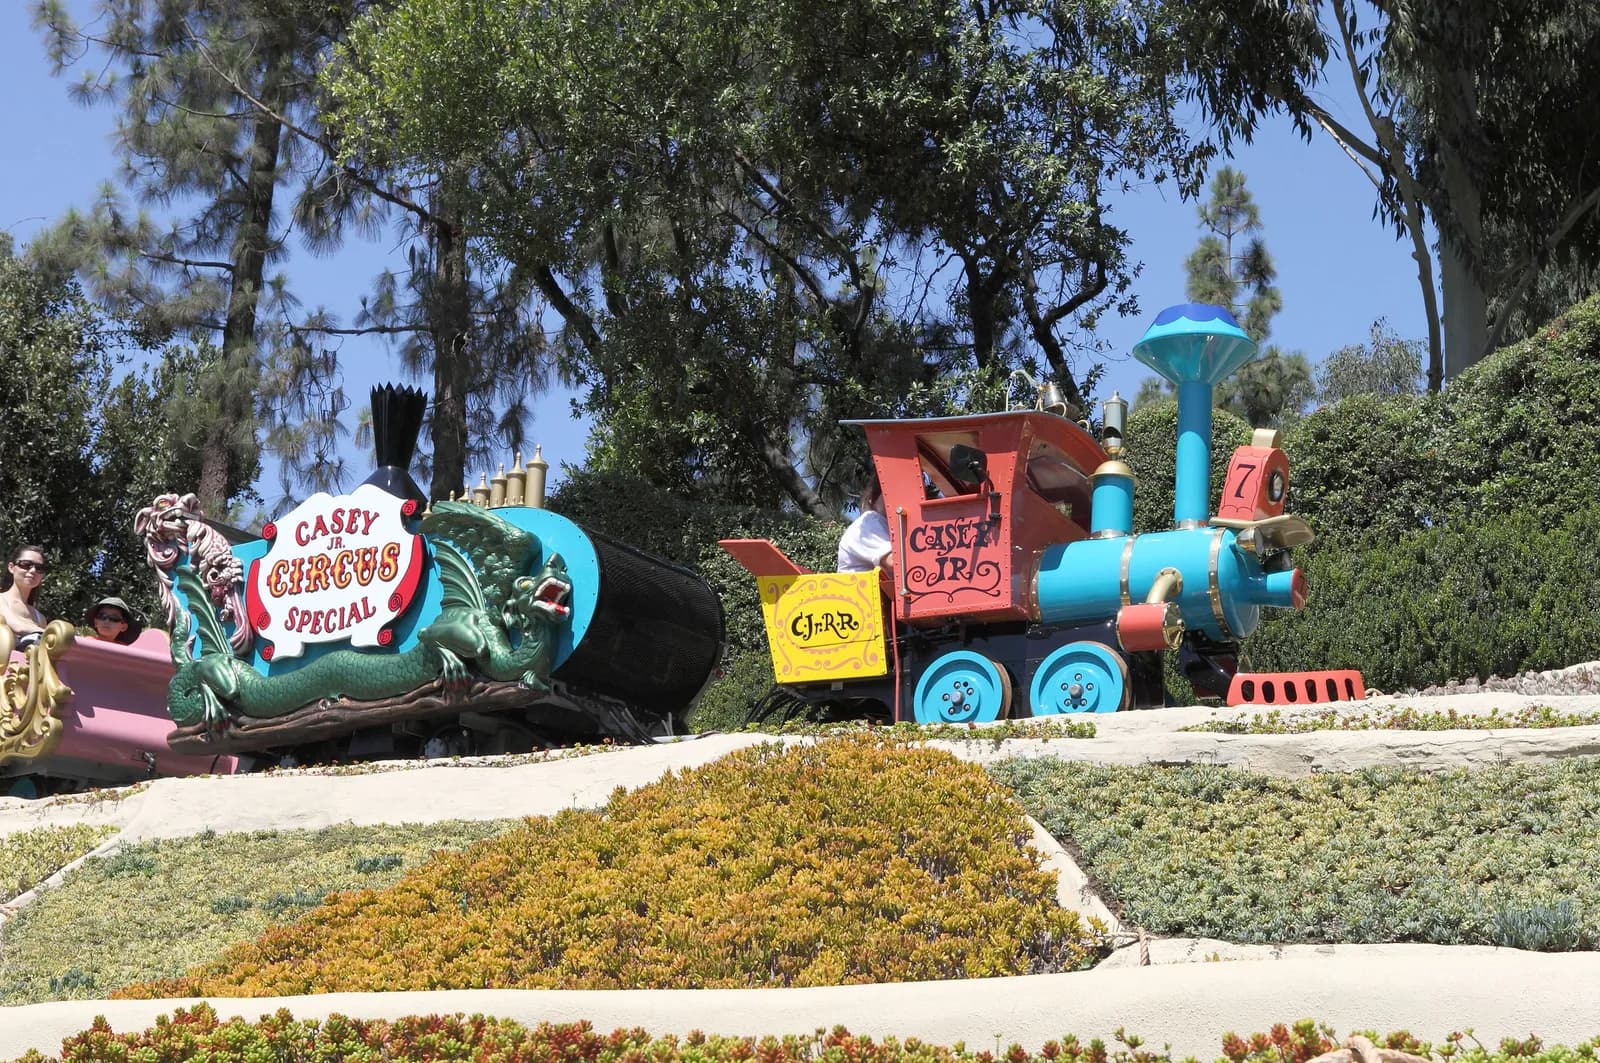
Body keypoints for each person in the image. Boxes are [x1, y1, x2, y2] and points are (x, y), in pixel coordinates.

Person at [837, 472, 896, 577]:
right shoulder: (871, 520)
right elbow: (893, 561)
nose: (895, 500)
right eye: (888, 493)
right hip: (858, 591)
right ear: (872, 499)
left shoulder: (883, 524)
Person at [0, 545, 49, 650]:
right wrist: (54, 633)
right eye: (26, 565)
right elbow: (17, 626)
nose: (33, 571)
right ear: (11, 567)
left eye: (39, 568)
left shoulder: (40, 618)